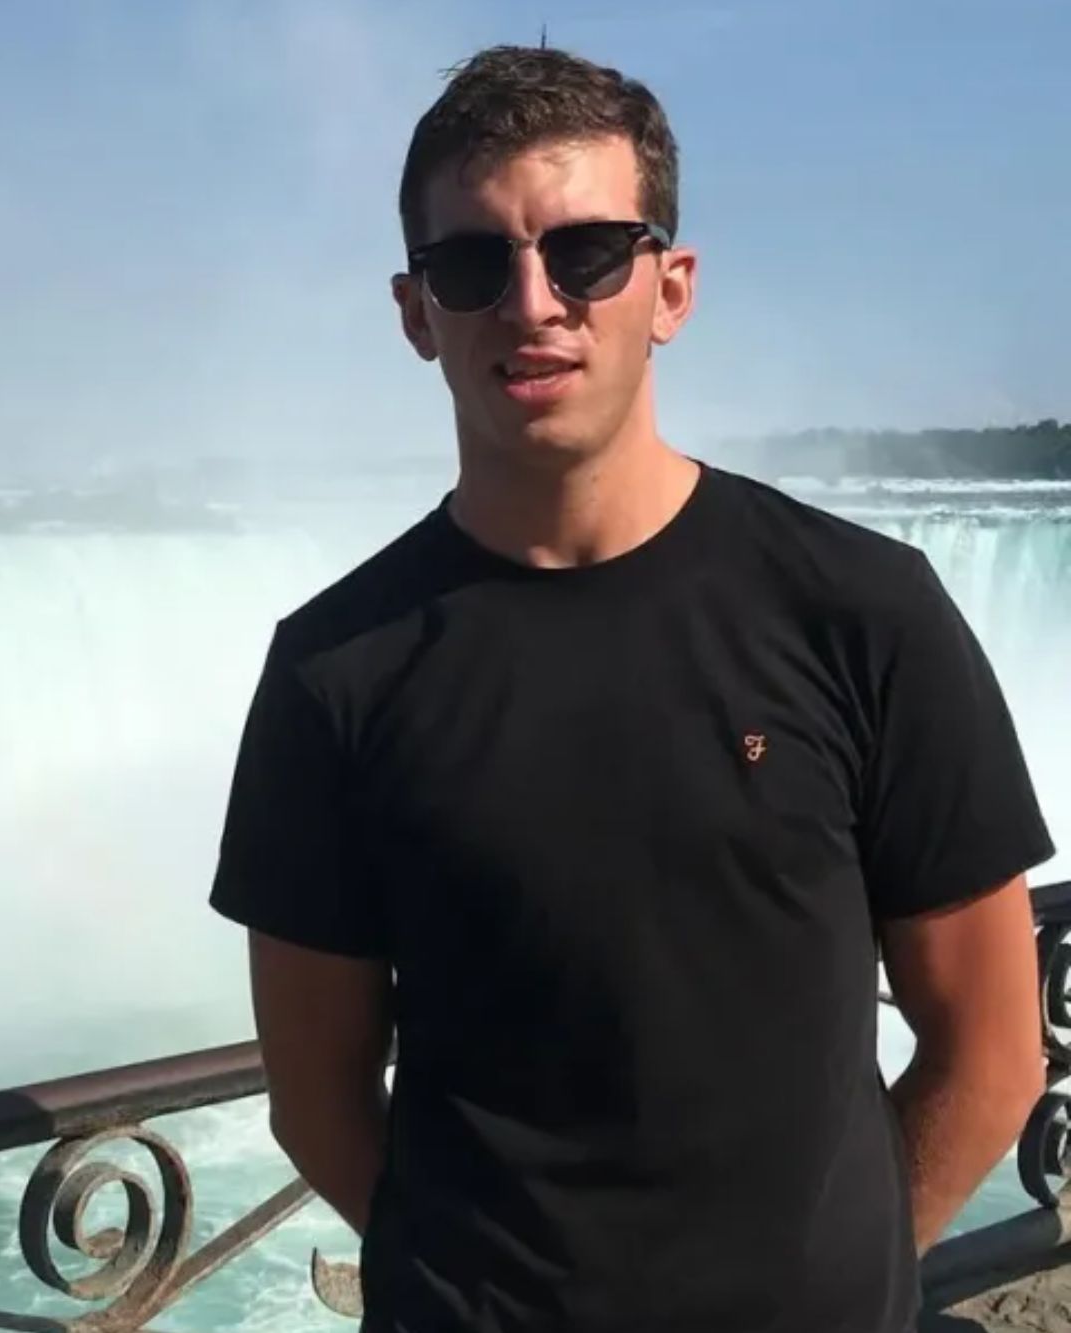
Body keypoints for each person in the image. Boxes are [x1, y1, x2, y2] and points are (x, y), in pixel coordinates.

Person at [208, 43, 1057, 1333]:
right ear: (415, 311)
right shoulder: (337, 670)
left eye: (589, 252)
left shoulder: (863, 613)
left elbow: (993, 1051)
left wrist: (846, 1280)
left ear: (670, 288)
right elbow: (315, 1096)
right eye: (475, 263)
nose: (535, 303)